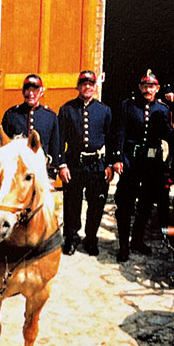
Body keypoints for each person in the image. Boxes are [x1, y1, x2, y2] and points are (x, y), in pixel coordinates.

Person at [112, 71, 174, 262]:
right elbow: (120, 132)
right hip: (132, 160)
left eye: (152, 87)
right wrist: (118, 158)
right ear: (140, 88)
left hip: (152, 163)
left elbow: (166, 133)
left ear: (157, 89)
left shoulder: (162, 110)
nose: (148, 90)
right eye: (145, 86)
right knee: (125, 204)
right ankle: (123, 246)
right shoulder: (128, 106)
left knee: (146, 204)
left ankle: (137, 240)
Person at [58, 71, 113, 256]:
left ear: (95, 87)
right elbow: (60, 140)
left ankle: (91, 239)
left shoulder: (104, 110)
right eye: (83, 84)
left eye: (91, 84)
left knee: (96, 204)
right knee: (72, 203)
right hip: (74, 163)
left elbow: (111, 140)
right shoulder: (67, 110)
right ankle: (71, 238)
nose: (87, 87)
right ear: (78, 87)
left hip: (96, 165)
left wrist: (110, 165)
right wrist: (62, 165)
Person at [1, 74, 61, 177]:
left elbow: (54, 146)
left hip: (41, 170)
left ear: (41, 92)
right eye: (28, 90)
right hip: (17, 171)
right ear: (23, 92)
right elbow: (3, 145)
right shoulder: (12, 115)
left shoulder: (50, 116)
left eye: (35, 90)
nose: (31, 94)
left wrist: (53, 171)